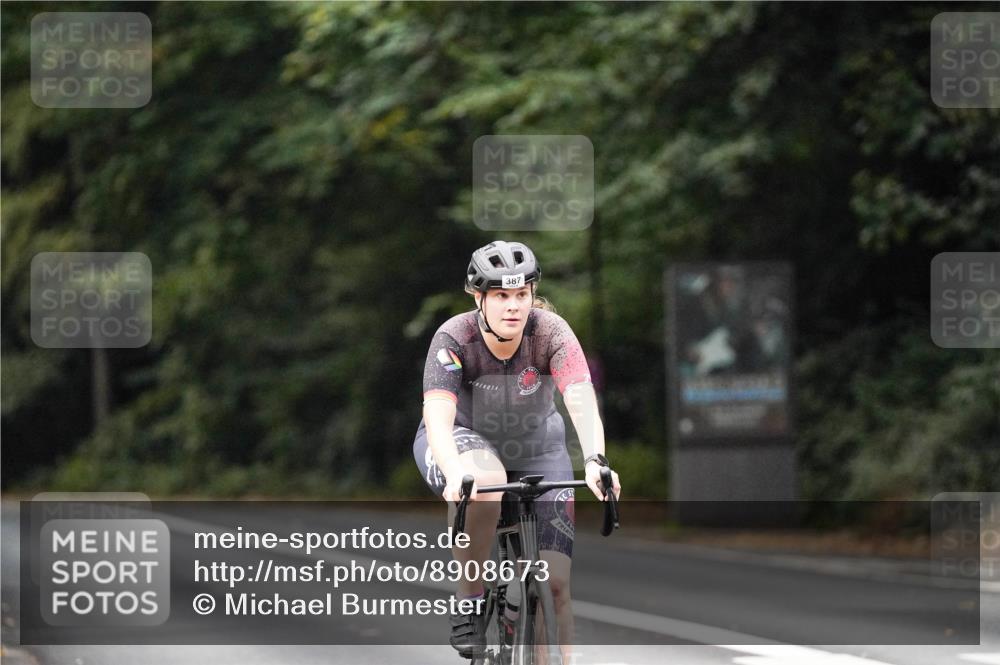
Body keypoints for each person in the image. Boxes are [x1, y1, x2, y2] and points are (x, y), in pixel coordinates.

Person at [412, 240, 622, 662]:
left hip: (537, 448)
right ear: (479, 297)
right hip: (463, 438)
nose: (513, 306)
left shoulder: (550, 333)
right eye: (501, 296)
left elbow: (580, 398)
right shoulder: (455, 336)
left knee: (556, 584)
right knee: (486, 482)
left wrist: (597, 459)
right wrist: (454, 472)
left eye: (521, 294)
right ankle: (470, 597)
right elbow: (437, 415)